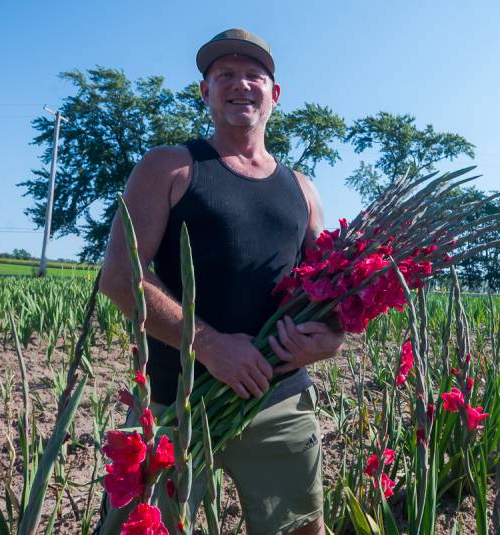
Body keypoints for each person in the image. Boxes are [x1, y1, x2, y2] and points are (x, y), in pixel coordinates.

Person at [96, 28, 344, 535]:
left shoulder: (303, 190)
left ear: (274, 95)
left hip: (278, 399)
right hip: (175, 401)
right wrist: (208, 345)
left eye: (254, 75)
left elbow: (329, 293)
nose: (240, 84)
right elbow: (120, 276)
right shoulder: (170, 166)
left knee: (302, 529)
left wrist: (331, 339)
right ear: (204, 92)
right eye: (223, 75)